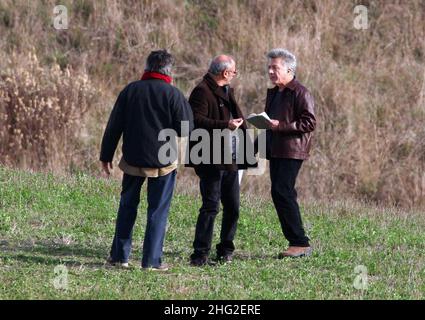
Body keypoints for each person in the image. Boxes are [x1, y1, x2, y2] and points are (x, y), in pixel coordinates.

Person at [99, 50, 194, 270]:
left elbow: (114, 126)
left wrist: (106, 155)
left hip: (132, 160)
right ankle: (151, 261)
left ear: (147, 67)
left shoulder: (130, 90)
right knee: (157, 211)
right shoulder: (173, 94)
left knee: (127, 207)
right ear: (169, 70)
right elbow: (186, 128)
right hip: (164, 163)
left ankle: (119, 257)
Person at [186, 55, 256, 266]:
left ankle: (226, 250)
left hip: (230, 158)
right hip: (210, 159)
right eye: (234, 72)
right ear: (225, 73)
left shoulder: (226, 90)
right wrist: (225, 124)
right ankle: (200, 255)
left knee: (233, 207)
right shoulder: (202, 91)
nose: (235, 75)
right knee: (211, 206)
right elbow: (196, 120)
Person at [264, 48, 316, 258]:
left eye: (274, 67)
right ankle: (296, 241)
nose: (270, 71)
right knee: (279, 192)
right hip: (276, 149)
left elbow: (309, 122)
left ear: (289, 69)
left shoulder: (300, 92)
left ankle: (300, 243)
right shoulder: (276, 92)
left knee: (282, 191)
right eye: (269, 67)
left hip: (292, 150)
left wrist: (280, 126)